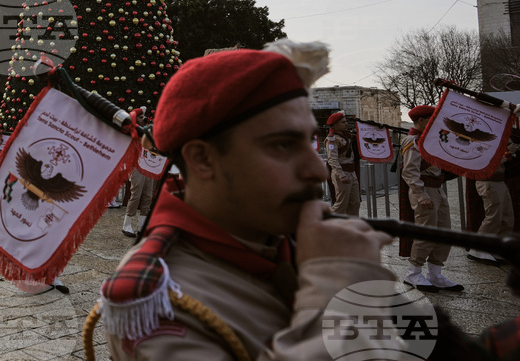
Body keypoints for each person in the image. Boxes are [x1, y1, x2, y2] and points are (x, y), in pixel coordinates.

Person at [99, 42, 396, 359]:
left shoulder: (281, 240)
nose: (317, 171)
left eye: (309, 143)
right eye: (282, 145)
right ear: (202, 159)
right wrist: (339, 290)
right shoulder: (158, 299)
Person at [400, 104, 464, 292]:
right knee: (426, 232)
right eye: (430, 118)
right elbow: (410, 172)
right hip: (424, 189)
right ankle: (413, 274)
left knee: (444, 232)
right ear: (420, 120)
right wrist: (421, 195)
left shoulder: (429, 140)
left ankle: (435, 274)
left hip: (437, 188)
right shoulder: (413, 141)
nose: (434, 122)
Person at [324, 112, 360, 215]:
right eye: (343, 122)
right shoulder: (332, 139)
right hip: (342, 173)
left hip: (351, 172)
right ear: (335, 124)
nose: (346, 124)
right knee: (341, 204)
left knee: (355, 202)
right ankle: (329, 224)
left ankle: (352, 226)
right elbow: (332, 159)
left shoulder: (346, 136)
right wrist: (341, 175)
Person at [122, 161, 156, 238]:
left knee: (148, 196)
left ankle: (142, 226)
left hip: (150, 167)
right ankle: (126, 225)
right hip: (138, 165)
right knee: (136, 196)